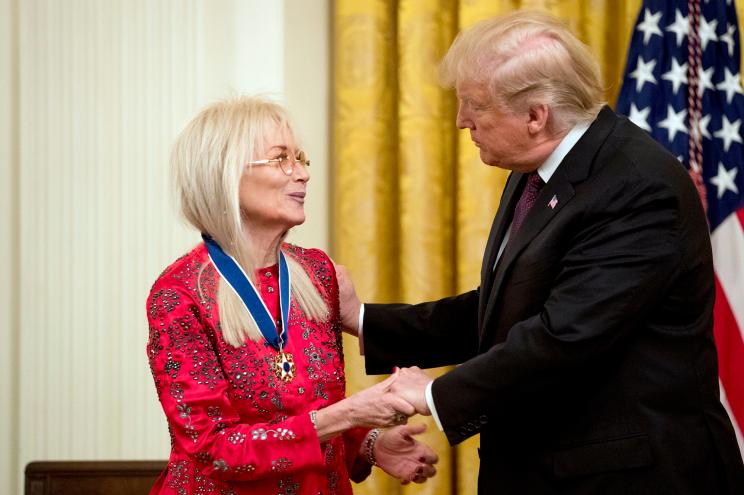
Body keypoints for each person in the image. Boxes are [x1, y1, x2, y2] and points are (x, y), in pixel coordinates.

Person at [337, 10, 744, 494]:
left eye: (474, 105)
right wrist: (364, 319)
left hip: (632, 477)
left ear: (536, 115)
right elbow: (507, 308)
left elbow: (565, 337)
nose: (461, 120)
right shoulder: (538, 169)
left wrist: (432, 394)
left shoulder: (638, 186)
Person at [146, 96, 438, 495]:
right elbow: (214, 449)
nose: (302, 174)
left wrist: (369, 444)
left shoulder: (318, 274)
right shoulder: (178, 294)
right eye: (281, 159)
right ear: (225, 174)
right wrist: (351, 413)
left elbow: (311, 409)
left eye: (301, 159)